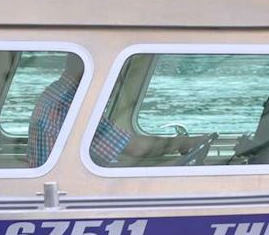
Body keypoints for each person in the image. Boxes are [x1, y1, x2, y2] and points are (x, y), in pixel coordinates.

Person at [27, 60, 207, 167]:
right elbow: (137, 148)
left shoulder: (58, 91)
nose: (119, 81)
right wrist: (184, 142)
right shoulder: (70, 104)